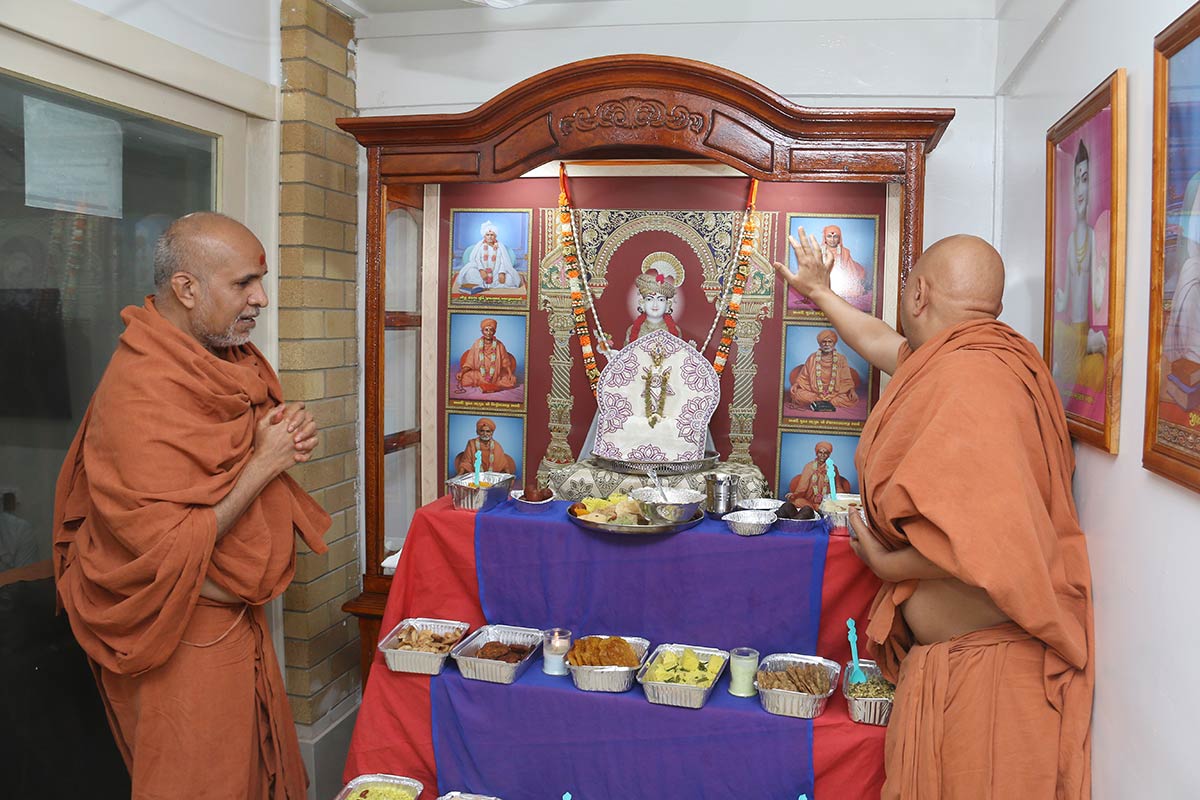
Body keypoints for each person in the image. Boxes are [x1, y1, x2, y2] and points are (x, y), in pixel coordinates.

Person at [774, 231, 1093, 798]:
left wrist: (888, 564)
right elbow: (879, 341)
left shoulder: (975, 382)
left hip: (989, 678)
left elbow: (996, 544)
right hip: (951, 662)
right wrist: (821, 292)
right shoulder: (961, 359)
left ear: (918, 294)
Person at [52, 212, 331, 799]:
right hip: (176, 636)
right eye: (244, 283)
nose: (261, 299)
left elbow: (231, 450)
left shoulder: (224, 358)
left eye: (261, 281)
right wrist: (264, 462)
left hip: (230, 621)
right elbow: (167, 546)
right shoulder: (142, 388)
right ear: (186, 288)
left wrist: (279, 432)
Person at [1053, 139, 1107, 394]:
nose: (1080, 188)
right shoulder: (1070, 241)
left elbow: (1098, 300)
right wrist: (1059, 299)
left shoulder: (1094, 236)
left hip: (1083, 328)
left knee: (1095, 369)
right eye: (1077, 180)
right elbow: (1064, 300)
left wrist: (1101, 277)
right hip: (1072, 335)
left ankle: (1087, 346)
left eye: (1085, 179)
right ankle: (1088, 345)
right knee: (1057, 333)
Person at [788, 329, 862, 411]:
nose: (827, 344)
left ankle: (822, 401)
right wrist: (796, 385)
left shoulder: (841, 359)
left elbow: (846, 378)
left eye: (830, 342)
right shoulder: (813, 357)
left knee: (848, 398)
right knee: (798, 394)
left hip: (835, 393)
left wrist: (851, 390)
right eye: (824, 342)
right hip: (814, 392)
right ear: (820, 343)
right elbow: (804, 376)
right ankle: (825, 401)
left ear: (834, 343)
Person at [451, 221, 521, 293]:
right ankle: (482, 284)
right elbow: (477, 260)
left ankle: (487, 284)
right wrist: (481, 270)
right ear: (484, 236)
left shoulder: (499, 247)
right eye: (487, 235)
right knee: (470, 272)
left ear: (495, 236)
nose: (490, 237)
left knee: (510, 279)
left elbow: (503, 261)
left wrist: (502, 273)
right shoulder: (480, 247)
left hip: (496, 272)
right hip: (482, 272)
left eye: (492, 235)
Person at [456, 317, 518, 393]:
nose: (488, 332)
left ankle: (488, 384)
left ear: (494, 331)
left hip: (496, 376)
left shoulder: (499, 345)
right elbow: (469, 362)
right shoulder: (477, 344)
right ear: (482, 331)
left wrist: (510, 374)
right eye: (486, 330)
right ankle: (490, 384)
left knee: (512, 380)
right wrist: (462, 372)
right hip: (480, 374)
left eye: (491, 330)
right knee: (465, 378)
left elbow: (505, 361)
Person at [784, 440, 852, 509]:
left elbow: (838, 487)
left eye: (826, 453)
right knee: (797, 501)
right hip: (808, 501)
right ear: (816, 453)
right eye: (820, 452)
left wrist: (844, 498)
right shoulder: (809, 466)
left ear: (829, 455)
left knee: (834, 505)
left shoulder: (833, 468)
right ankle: (814, 508)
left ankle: (816, 508)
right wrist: (795, 495)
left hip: (826, 501)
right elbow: (802, 487)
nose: (822, 455)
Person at [821, 224, 869, 308]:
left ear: (839, 238)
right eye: (829, 236)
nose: (832, 240)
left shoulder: (845, 252)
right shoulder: (819, 251)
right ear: (825, 238)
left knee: (853, 290)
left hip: (841, 279)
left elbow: (850, 272)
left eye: (835, 237)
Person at [453, 417, 517, 476]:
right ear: (477, 432)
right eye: (482, 431)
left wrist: (508, 476)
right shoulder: (471, 444)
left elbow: (504, 464)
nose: (485, 434)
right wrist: (459, 474)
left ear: (492, 433)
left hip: (492, 476)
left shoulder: (497, 446)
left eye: (488, 431)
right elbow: (466, 462)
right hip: (475, 476)